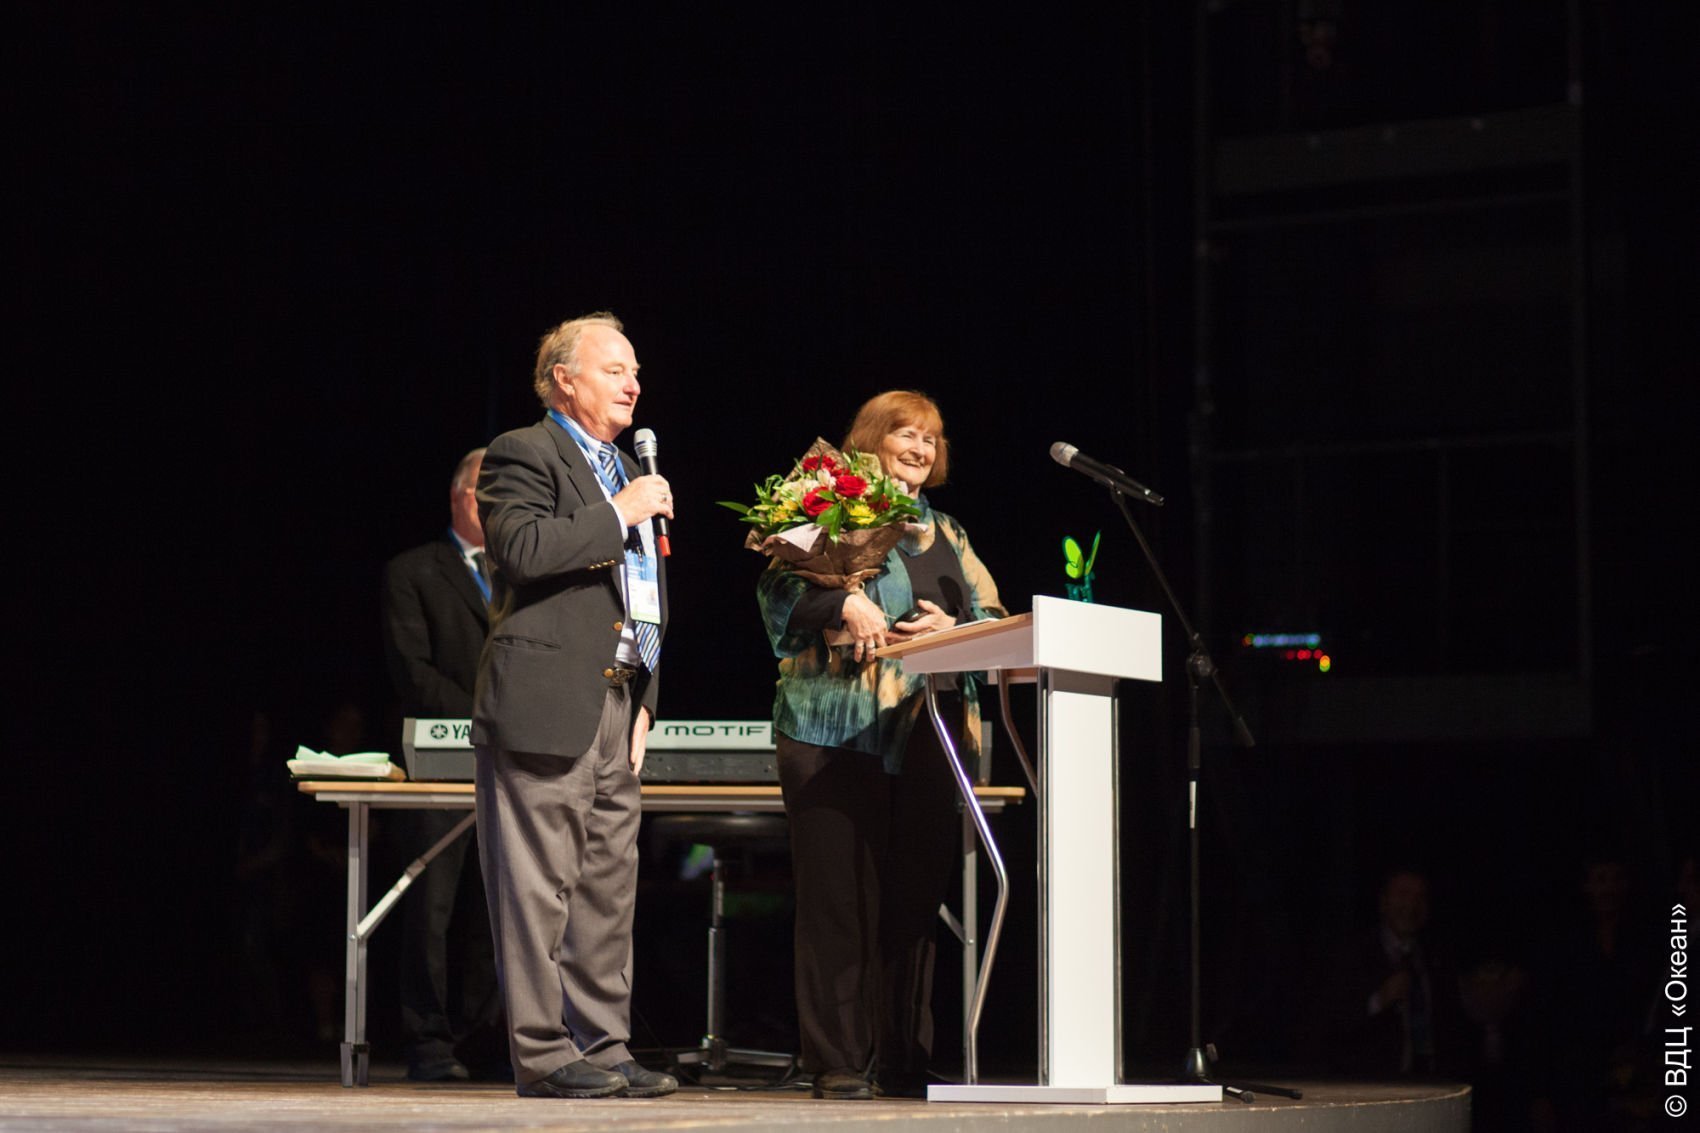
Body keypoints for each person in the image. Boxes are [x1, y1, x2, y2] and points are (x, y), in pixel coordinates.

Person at [756, 390, 1007, 1099]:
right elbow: (778, 597)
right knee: (839, 902)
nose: (921, 448)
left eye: (931, 437)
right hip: (831, 732)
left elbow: (992, 613)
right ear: (873, 439)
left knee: (912, 906)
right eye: (906, 434)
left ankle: (903, 1057)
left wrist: (952, 628)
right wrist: (841, 600)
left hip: (929, 735)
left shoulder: (949, 532)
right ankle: (838, 1060)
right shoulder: (833, 508)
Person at [471, 312, 678, 1100]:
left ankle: (604, 1044)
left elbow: (646, 590)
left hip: (619, 699)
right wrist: (621, 512)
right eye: (615, 368)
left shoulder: (626, 467)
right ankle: (543, 1052)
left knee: (606, 888)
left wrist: (648, 699)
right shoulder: (523, 452)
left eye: (636, 370)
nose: (633, 383)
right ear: (564, 378)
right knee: (535, 887)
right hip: (546, 696)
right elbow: (521, 549)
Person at [379, 447, 504, 1081]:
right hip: (438, 765)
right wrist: (490, 719)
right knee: (431, 907)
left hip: (509, 765)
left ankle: (485, 1038)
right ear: (463, 496)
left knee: (496, 907)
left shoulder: (521, 571)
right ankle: (427, 1042)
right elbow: (414, 672)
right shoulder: (414, 571)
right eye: (493, 490)